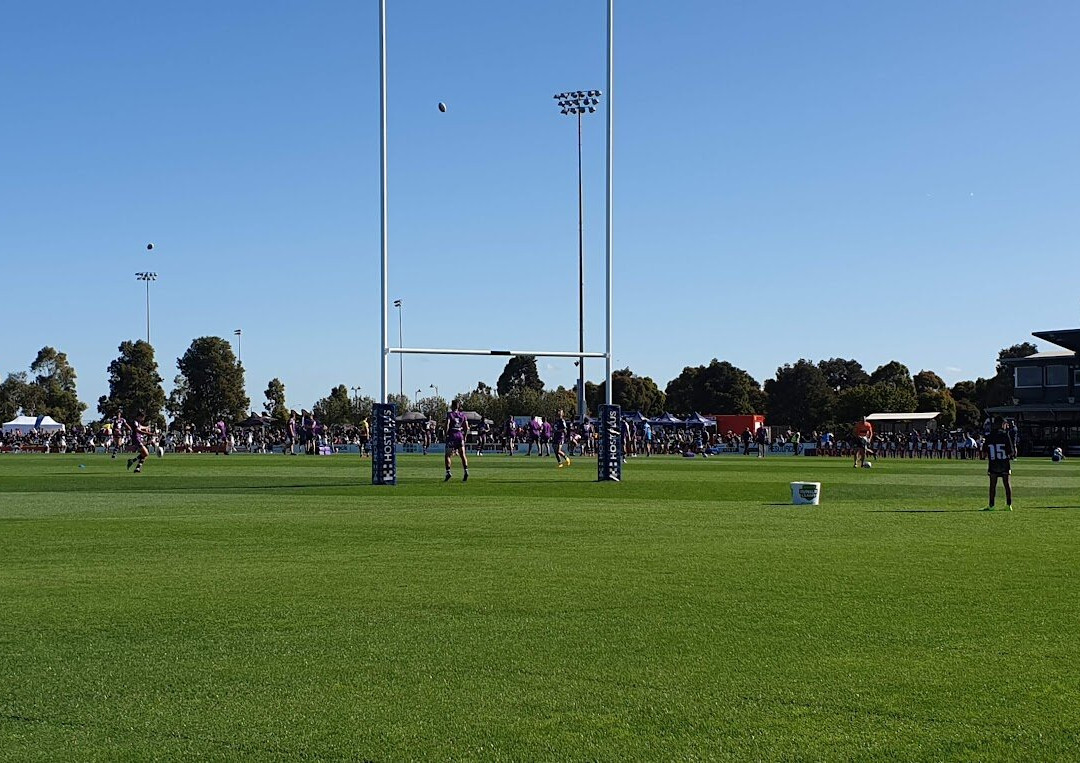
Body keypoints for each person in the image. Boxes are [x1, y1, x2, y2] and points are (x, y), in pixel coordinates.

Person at [981, 416, 1014, 511]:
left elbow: (984, 452)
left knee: (992, 485)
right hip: (1004, 462)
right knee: (1007, 484)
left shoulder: (989, 436)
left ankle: (991, 505)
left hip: (993, 463)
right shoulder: (1005, 435)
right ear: (1002, 424)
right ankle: (1008, 505)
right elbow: (1011, 452)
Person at [444, 400, 470, 482]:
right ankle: (466, 471)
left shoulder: (450, 414)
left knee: (447, 455)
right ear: (458, 406)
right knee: (463, 455)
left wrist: (446, 434)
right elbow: (466, 427)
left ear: (452, 406)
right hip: (460, 436)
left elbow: (447, 424)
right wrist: (465, 436)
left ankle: (448, 472)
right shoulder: (462, 415)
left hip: (452, 436)